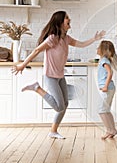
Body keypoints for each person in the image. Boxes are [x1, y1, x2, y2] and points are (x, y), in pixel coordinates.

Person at [11, 10, 105, 139]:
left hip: (60, 76)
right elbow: (37, 50)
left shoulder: (66, 38)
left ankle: (53, 131)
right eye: (67, 18)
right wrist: (22, 64)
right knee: (59, 106)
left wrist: (94, 39)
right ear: (60, 22)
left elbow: (81, 44)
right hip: (50, 76)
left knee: (65, 104)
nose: (69, 20)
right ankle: (36, 88)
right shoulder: (53, 38)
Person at [96, 40, 117, 140]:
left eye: (98, 47)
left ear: (103, 50)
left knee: (102, 111)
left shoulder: (104, 61)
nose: (97, 49)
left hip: (107, 89)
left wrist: (105, 86)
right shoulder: (104, 60)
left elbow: (110, 73)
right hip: (109, 88)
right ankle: (112, 130)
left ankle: (110, 130)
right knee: (106, 111)